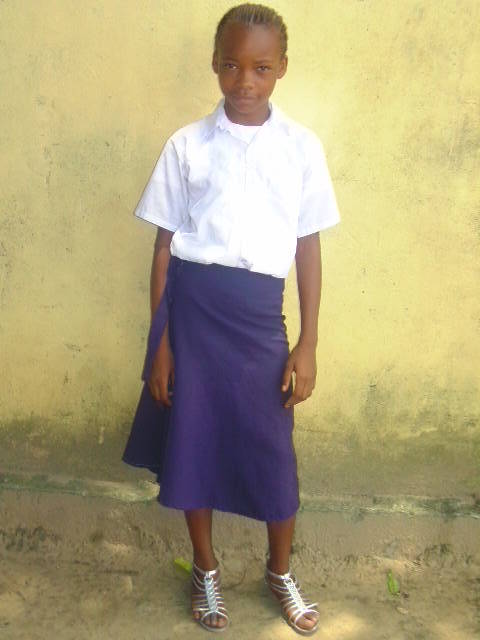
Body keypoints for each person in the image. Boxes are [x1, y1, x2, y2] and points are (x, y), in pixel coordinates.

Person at [123, 3, 340, 635]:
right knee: (193, 442)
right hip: (193, 315)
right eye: (232, 66)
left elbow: (307, 248)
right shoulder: (187, 146)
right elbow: (163, 248)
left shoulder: (301, 148)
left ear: (282, 69)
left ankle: (279, 571)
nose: (245, 81)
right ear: (215, 64)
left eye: (261, 68)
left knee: (274, 452)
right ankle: (206, 568)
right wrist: (161, 344)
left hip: (258, 318)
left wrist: (308, 343)